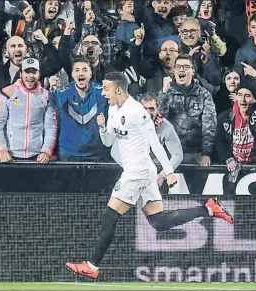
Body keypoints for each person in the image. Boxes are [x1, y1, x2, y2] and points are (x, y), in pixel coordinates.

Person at [65, 72, 233, 279]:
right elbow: (108, 141)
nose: (103, 92)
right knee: (159, 221)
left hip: (138, 171)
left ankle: (92, 265)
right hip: (139, 171)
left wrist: (169, 172)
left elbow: (154, 141)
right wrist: (101, 128)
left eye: (106, 89)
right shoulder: (111, 108)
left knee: (110, 216)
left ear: (118, 89)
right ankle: (208, 209)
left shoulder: (137, 111)